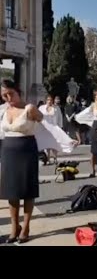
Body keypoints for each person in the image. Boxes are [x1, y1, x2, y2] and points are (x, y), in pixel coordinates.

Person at [0, 80, 44, 243]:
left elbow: (46, 123)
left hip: (26, 150)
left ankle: (25, 227)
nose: (8, 97)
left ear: (19, 92)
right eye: (4, 95)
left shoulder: (29, 108)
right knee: (11, 192)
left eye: (10, 93)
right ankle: (14, 227)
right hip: (7, 152)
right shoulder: (3, 110)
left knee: (27, 190)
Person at [38, 95, 63, 165]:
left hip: (54, 127)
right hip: (45, 128)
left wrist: (60, 127)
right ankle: (47, 158)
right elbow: (39, 117)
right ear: (46, 100)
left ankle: (55, 158)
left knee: (54, 144)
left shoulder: (56, 108)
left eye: (51, 100)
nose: (49, 101)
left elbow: (60, 118)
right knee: (47, 144)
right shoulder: (41, 108)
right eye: (48, 100)